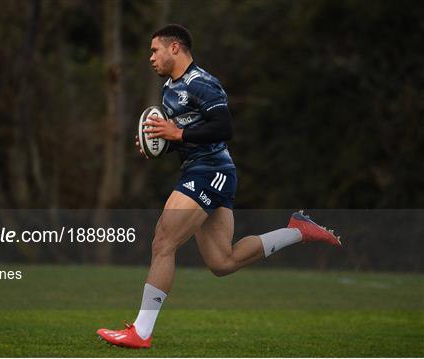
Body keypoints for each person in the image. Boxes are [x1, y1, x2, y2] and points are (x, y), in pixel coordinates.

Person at [97, 24, 340, 349]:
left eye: (155, 50)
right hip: (206, 171)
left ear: (175, 48)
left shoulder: (202, 83)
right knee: (222, 263)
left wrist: (177, 135)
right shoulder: (170, 89)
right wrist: (159, 143)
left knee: (163, 241)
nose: (150, 57)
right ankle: (297, 231)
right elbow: (185, 135)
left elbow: (223, 127)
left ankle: (141, 332)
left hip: (209, 171)